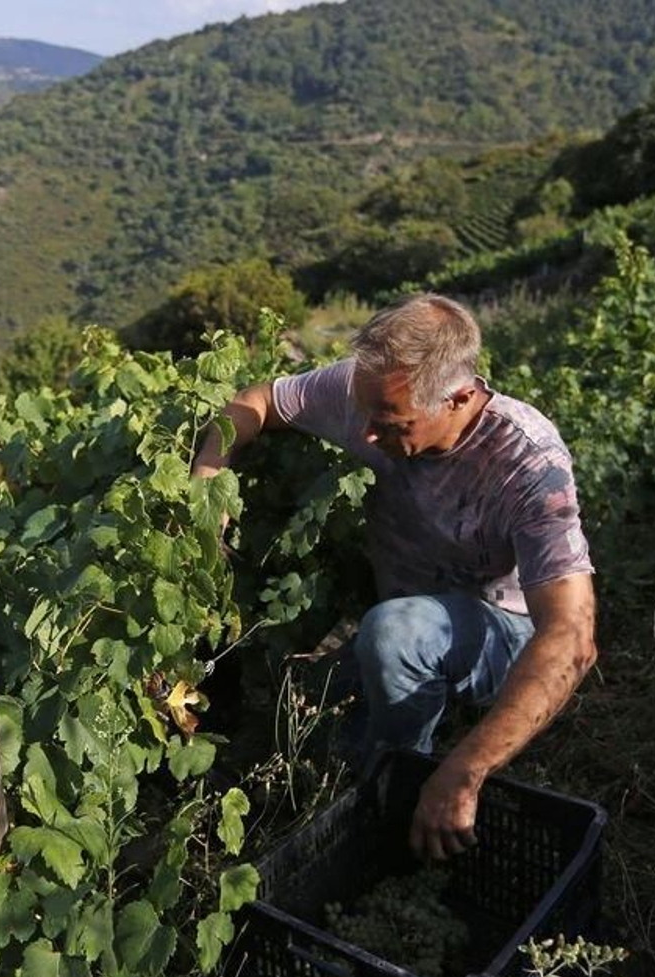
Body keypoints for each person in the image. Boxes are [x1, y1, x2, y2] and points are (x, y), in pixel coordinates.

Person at [191, 293, 597, 862]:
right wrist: (210, 474)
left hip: (498, 635)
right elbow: (257, 401)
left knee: (394, 641)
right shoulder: (374, 390)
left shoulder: (528, 464)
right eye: (365, 416)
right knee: (290, 714)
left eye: (390, 424)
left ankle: (402, 782)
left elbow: (572, 638)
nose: (369, 436)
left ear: (457, 398)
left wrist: (464, 771)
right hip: (403, 612)